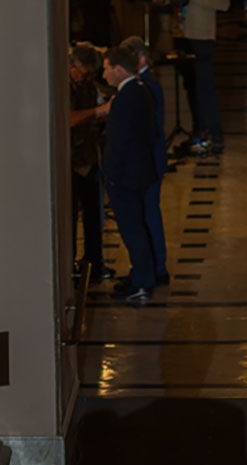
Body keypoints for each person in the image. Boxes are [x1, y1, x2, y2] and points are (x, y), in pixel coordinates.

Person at [99, 39, 169, 306]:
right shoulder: (140, 91)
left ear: (119, 69)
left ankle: (142, 281)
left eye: (106, 68)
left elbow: (122, 141)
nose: (103, 74)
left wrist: (112, 173)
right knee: (136, 227)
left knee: (132, 229)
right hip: (137, 171)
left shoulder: (128, 97)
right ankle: (141, 274)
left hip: (126, 175)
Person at [68, 43, 111, 289]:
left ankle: (94, 263)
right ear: (72, 67)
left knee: (95, 217)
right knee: (70, 217)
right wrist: (98, 112)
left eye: (90, 75)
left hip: (89, 158)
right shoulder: (65, 85)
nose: (86, 79)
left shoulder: (87, 84)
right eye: (83, 74)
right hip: (71, 162)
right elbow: (68, 118)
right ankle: (70, 264)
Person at [179, 0, 229, 155]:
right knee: (192, 87)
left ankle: (214, 134)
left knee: (204, 89)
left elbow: (224, 4)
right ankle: (199, 131)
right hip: (183, 32)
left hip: (202, 36)